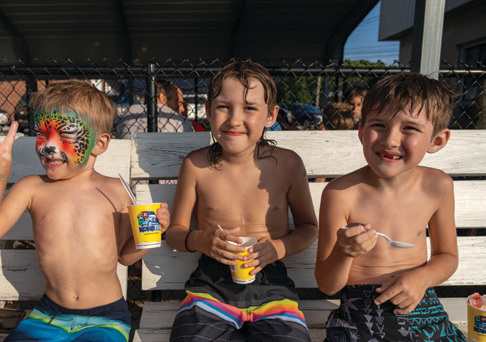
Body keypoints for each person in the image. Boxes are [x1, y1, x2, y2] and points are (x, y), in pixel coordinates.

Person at [0, 80, 170, 342]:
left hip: (106, 319)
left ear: (100, 144)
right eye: (43, 134)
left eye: (65, 136)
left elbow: (125, 257)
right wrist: (2, 173)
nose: (49, 147)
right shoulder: (31, 188)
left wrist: (154, 231)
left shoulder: (116, 191)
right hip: (48, 316)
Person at [162, 60, 318, 341]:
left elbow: (309, 226)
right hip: (211, 287)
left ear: (271, 116)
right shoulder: (196, 166)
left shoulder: (288, 165)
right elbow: (175, 233)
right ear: (208, 111)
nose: (234, 119)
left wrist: (277, 249)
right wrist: (200, 241)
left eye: (249, 108)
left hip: (273, 286)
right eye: (223, 107)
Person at [315, 73, 467, 341]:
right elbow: (328, 286)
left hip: (418, 297)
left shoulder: (437, 185)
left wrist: (421, 278)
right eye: (379, 125)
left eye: (409, 128)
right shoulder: (340, 194)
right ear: (361, 131)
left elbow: (447, 257)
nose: (390, 140)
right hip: (361, 307)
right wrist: (344, 252)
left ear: (437, 140)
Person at [115, 80, 193, 139]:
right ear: (162, 97)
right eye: (178, 102)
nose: (182, 108)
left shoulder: (128, 113)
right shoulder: (183, 122)